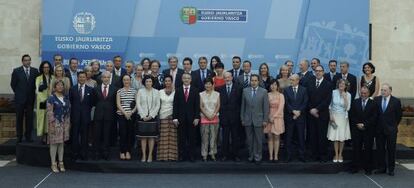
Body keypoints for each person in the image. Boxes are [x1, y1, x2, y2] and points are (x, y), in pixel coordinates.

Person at [374, 83, 402, 176]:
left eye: (385, 90)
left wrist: (393, 126)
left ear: (390, 91)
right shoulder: (377, 99)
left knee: (391, 150)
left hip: (391, 130)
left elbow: (398, 116)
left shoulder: (396, 101)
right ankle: (381, 168)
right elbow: (375, 115)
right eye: (382, 90)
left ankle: (391, 169)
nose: (382, 92)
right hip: (379, 130)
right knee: (380, 149)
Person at [240, 74, 269, 164]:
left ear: (258, 81)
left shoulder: (264, 91)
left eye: (255, 80)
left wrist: (265, 120)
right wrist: (242, 118)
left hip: (259, 120)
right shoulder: (245, 91)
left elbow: (266, 107)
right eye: (252, 80)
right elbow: (243, 106)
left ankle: (258, 157)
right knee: (249, 140)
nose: (253, 82)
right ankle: (251, 156)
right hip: (247, 119)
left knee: (258, 140)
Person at [10, 54, 39, 143]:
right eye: (25, 60)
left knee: (29, 119)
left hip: (30, 99)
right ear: (22, 61)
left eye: (29, 60)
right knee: (19, 118)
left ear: (30, 61)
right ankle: (19, 136)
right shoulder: (16, 71)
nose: (27, 62)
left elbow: (36, 84)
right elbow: (13, 85)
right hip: (20, 99)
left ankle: (28, 136)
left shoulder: (35, 71)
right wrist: (19, 93)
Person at [349, 86, 378, 175]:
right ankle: (355, 167)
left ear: (369, 93)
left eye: (365, 93)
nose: (363, 95)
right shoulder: (355, 102)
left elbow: (374, 116)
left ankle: (368, 168)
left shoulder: (373, 103)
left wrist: (364, 124)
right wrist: (358, 124)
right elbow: (351, 115)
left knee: (368, 149)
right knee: (356, 149)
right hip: (356, 129)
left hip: (368, 130)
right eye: (362, 93)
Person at [173, 73, 200, 162]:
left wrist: (197, 117)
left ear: (191, 79)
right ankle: (182, 156)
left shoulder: (195, 90)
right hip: (180, 119)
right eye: (184, 78)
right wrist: (175, 118)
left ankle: (192, 156)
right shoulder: (178, 90)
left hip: (192, 119)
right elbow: (175, 105)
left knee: (192, 138)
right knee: (182, 139)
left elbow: (197, 105)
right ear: (182, 79)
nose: (186, 79)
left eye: (188, 78)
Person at [307, 65, 332, 162]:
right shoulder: (310, 83)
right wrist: (312, 109)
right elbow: (307, 98)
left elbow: (327, 100)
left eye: (320, 71)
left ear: (323, 72)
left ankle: (322, 155)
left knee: (322, 135)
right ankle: (313, 155)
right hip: (311, 114)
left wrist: (317, 109)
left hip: (322, 114)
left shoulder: (328, 84)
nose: (318, 72)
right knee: (312, 135)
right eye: (316, 71)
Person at [69, 71, 94, 160]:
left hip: (85, 117)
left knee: (85, 137)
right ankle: (74, 154)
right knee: (75, 136)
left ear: (86, 78)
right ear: (78, 78)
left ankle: (84, 154)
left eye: (83, 77)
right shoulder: (72, 89)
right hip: (75, 117)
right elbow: (71, 102)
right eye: (80, 77)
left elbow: (91, 103)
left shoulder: (90, 89)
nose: (82, 79)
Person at [46, 80, 70, 173]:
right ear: (55, 87)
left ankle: (61, 162)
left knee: (61, 144)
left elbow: (68, 111)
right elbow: (49, 112)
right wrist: (52, 124)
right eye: (58, 85)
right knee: (54, 144)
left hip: (64, 123)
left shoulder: (66, 98)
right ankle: (53, 163)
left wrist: (68, 124)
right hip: (55, 123)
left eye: (61, 85)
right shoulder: (51, 98)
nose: (60, 87)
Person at [93, 71, 117, 161]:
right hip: (98, 116)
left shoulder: (115, 89)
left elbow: (115, 103)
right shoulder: (96, 89)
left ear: (110, 78)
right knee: (97, 135)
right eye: (104, 77)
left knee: (107, 135)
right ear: (101, 78)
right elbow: (93, 102)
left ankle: (105, 153)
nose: (106, 79)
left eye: (108, 77)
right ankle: (96, 153)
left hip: (109, 116)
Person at [284, 74, 308, 162]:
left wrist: (299, 112)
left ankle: (302, 156)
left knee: (301, 137)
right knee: (288, 137)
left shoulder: (304, 90)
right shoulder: (286, 90)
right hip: (290, 117)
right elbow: (286, 103)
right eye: (290, 80)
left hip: (300, 117)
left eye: (293, 80)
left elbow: (305, 102)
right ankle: (288, 156)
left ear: (297, 80)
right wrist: (293, 111)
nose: (291, 82)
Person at [136, 76, 161, 163]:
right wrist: (143, 115)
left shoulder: (157, 92)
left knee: (151, 137)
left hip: (152, 117)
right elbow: (138, 104)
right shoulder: (140, 91)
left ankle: (150, 155)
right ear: (144, 82)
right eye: (147, 81)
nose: (148, 83)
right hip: (142, 117)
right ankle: (144, 155)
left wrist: (151, 115)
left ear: (152, 82)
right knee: (143, 138)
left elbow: (158, 105)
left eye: (150, 81)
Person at [327, 79, 352, 163]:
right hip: (334, 117)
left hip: (343, 117)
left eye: (343, 84)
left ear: (346, 86)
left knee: (341, 138)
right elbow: (330, 105)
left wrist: (345, 98)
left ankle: (340, 154)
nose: (341, 85)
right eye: (340, 83)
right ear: (338, 84)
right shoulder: (333, 92)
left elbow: (347, 108)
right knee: (335, 137)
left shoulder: (348, 95)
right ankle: (336, 154)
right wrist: (331, 115)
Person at [219, 72, 242, 161]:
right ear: (223, 79)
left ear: (232, 78)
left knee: (235, 137)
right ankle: (225, 155)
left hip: (235, 117)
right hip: (224, 117)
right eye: (225, 77)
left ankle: (236, 155)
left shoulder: (239, 88)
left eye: (229, 77)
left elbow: (240, 103)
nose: (227, 79)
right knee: (225, 138)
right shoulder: (220, 89)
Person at [116, 75, 137, 160]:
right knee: (123, 133)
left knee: (130, 134)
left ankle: (128, 151)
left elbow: (137, 104)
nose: (126, 81)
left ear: (130, 80)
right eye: (124, 80)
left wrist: (131, 112)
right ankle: (122, 151)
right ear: (122, 81)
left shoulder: (134, 91)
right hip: (121, 115)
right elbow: (118, 103)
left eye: (127, 80)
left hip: (131, 115)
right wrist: (125, 113)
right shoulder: (119, 91)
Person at [157, 75, 178, 161]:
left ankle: (172, 157)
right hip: (163, 116)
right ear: (164, 82)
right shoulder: (160, 92)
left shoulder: (176, 92)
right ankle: (163, 157)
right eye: (166, 81)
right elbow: (158, 105)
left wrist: (176, 117)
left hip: (173, 116)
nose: (167, 82)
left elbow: (177, 105)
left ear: (172, 82)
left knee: (173, 137)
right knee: (163, 137)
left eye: (169, 81)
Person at [199, 78, 220, 161]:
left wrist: (213, 115)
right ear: (204, 85)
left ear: (212, 84)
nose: (208, 85)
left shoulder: (217, 94)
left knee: (213, 137)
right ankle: (204, 154)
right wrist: (207, 115)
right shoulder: (201, 94)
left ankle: (212, 153)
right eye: (206, 84)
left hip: (215, 118)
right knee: (204, 137)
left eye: (209, 84)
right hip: (204, 118)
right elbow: (201, 106)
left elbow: (218, 106)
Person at [264, 79, 285, 162]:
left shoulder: (281, 95)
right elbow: (265, 107)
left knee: (276, 137)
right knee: (269, 137)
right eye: (272, 85)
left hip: (278, 117)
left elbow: (281, 107)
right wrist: (269, 116)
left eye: (275, 85)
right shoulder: (267, 95)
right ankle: (270, 156)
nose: (273, 86)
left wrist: (274, 117)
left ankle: (276, 155)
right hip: (268, 117)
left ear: (277, 86)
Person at [36, 61, 54, 143]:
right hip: (42, 101)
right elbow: (37, 90)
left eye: (47, 67)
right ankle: (43, 136)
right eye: (44, 67)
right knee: (42, 117)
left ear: (50, 68)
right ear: (42, 68)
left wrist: (50, 99)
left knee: (50, 118)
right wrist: (45, 100)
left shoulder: (53, 77)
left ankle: (49, 136)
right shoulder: (38, 78)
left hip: (51, 101)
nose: (46, 69)